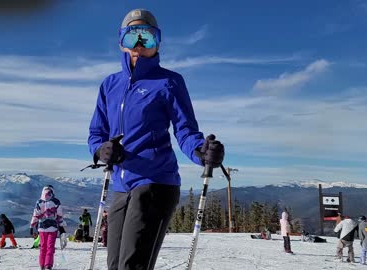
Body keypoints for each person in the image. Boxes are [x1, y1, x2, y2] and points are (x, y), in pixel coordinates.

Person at [87, 8, 225, 270]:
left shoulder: (169, 82)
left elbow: (185, 131)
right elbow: (96, 133)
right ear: (121, 42)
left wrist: (200, 151)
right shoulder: (109, 85)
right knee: (114, 265)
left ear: (157, 42)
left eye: (147, 38)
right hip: (120, 185)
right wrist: (101, 151)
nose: (139, 46)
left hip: (156, 183)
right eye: (131, 38)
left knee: (131, 266)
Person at [30, 185, 66, 270]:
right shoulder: (56, 201)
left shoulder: (39, 202)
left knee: (43, 247)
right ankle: (48, 265)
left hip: (42, 228)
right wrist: (61, 226)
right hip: (53, 228)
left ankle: (42, 265)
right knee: (50, 247)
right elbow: (59, 215)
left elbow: (36, 214)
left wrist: (32, 225)